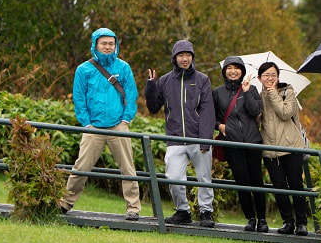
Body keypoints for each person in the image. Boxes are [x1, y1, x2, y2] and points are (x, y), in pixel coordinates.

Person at [60, 27, 140, 220]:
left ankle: (133, 209)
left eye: (111, 43)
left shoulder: (123, 68)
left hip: (118, 126)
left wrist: (126, 118)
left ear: (116, 46)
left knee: (128, 169)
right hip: (93, 127)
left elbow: (131, 94)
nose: (107, 47)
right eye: (103, 43)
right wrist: (86, 123)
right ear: (95, 44)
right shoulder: (84, 69)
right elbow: (79, 99)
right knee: (81, 167)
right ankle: (65, 203)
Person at [145, 40, 216, 228]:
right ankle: (182, 211)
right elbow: (153, 107)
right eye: (181, 55)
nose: (185, 59)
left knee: (204, 178)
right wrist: (151, 86)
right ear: (174, 58)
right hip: (175, 138)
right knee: (174, 177)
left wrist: (205, 141)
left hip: (198, 138)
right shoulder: (165, 80)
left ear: (192, 57)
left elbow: (208, 111)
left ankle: (206, 212)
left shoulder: (203, 80)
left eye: (188, 55)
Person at [213, 56, 268, 232]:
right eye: (229, 68)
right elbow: (210, 116)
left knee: (256, 181)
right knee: (242, 181)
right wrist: (220, 126)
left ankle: (263, 219)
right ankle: (250, 219)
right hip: (232, 143)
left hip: (253, 141)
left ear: (242, 71)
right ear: (224, 71)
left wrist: (245, 92)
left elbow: (255, 111)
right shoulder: (217, 93)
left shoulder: (251, 89)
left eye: (237, 68)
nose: (233, 71)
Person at [257, 61, 309, 236]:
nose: (270, 78)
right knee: (279, 187)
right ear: (259, 78)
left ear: (278, 77)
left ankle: (302, 223)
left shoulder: (288, 92)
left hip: (291, 146)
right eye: (266, 75)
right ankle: (288, 222)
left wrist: (273, 94)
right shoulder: (257, 95)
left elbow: (285, 113)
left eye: (273, 75)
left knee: (296, 185)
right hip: (270, 149)